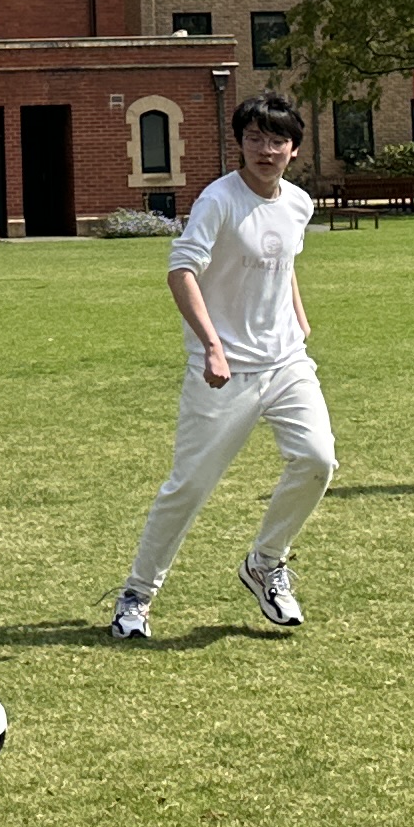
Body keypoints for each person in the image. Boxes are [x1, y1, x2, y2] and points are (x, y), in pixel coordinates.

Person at [111, 92, 340, 642]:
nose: (265, 149)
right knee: (189, 486)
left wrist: (299, 318)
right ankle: (136, 596)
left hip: (285, 361)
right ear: (239, 143)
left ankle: (266, 563)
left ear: (294, 149)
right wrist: (212, 345)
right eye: (254, 138)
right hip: (223, 369)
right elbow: (181, 272)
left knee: (318, 459)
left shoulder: (299, 203)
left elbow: (280, 263)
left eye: (277, 140)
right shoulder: (219, 200)